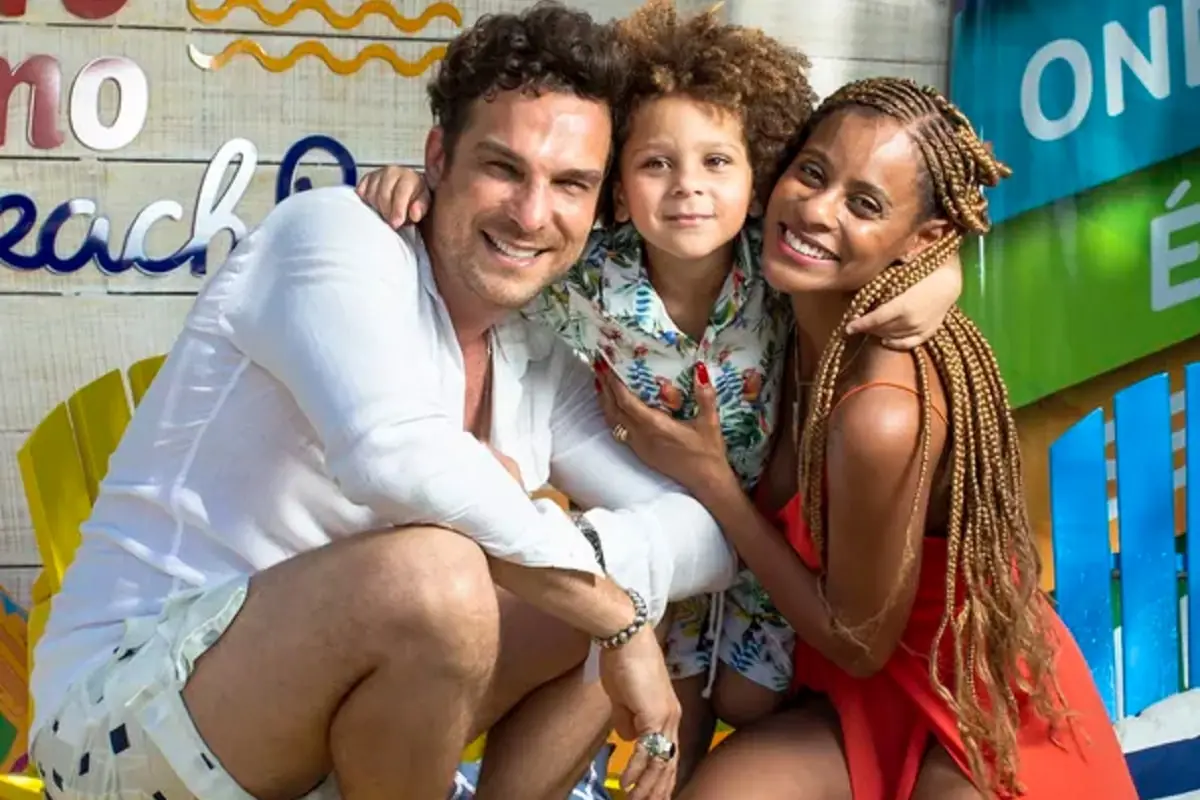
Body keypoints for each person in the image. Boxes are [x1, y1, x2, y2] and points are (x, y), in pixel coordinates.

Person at [26, 6, 755, 800]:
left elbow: (703, 538)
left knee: (620, 582)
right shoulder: (334, 236)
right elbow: (390, 455)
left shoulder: (533, 353)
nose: (531, 212)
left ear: (599, 203)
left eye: (569, 183)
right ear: (438, 158)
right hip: (125, 718)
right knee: (446, 578)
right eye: (503, 168)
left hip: (315, 738)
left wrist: (600, 584)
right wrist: (610, 611)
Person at [354, 4, 963, 795]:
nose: (688, 189)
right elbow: (488, 240)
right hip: (650, 538)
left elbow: (894, 253)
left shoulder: (774, 265)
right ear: (615, 183)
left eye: (718, 162)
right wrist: (416, 189)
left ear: (758, 178)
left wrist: (942, 279)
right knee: (653, 715)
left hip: (762, 549)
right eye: (655, 165)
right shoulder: (583, 274)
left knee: (749, 698)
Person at [596, 76, 1139, 799]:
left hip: (970, 698)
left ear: (924, 240)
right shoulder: (772, 300)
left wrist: (714, 483)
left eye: (864, 203)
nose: (817, 210)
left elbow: (859, 642)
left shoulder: (880, 410)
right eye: (811, 173)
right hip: (842, 692)